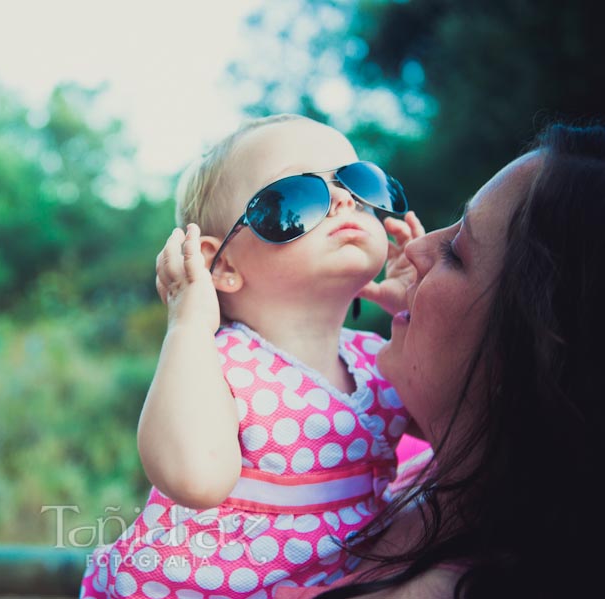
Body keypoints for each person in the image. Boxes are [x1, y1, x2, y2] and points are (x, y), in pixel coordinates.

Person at [80, 114, 426, 598]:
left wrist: (420, 309)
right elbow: (195, 477)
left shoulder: (379, 359)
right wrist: (188, 325)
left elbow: (464, 433)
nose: (346, 200)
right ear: (220, 265)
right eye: (298, 197)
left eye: (358, 181)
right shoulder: (219, 366)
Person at [276, 122, 605, 599]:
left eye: (455, 251)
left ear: (531, 350)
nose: (413, 247)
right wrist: (419, 318)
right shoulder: (422, 464)